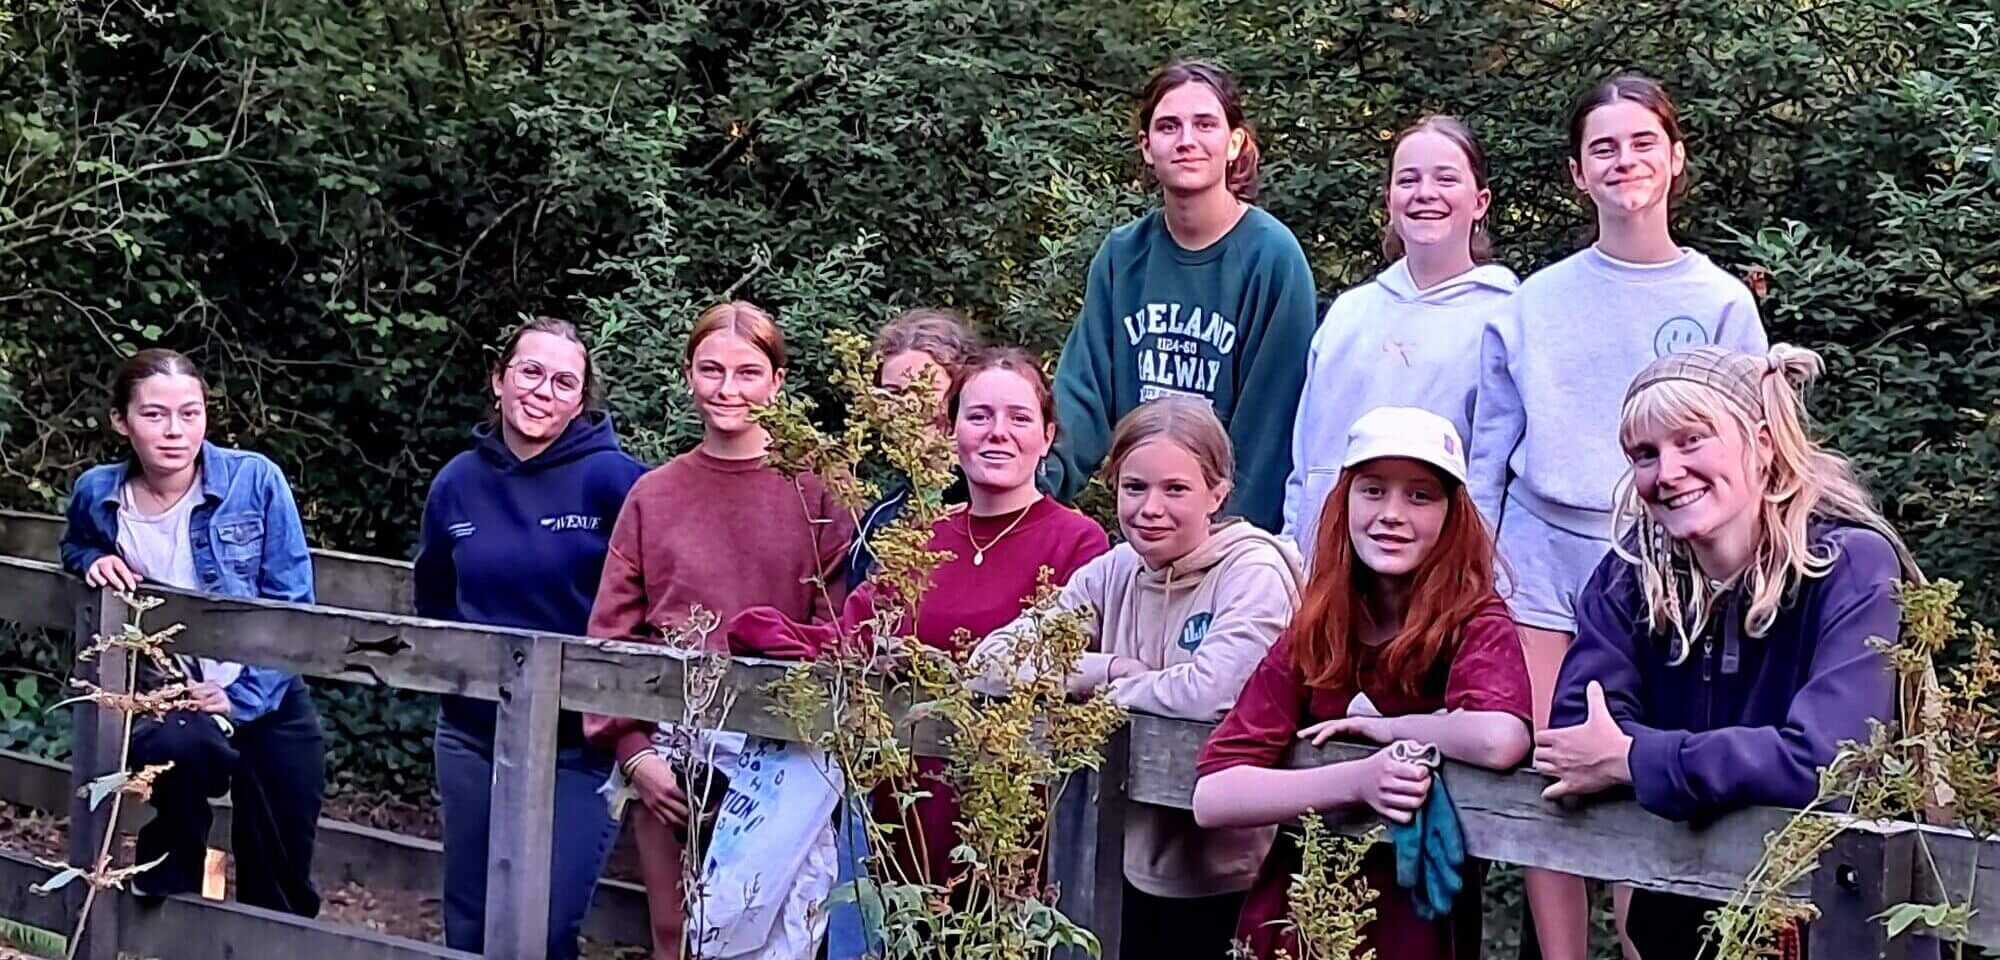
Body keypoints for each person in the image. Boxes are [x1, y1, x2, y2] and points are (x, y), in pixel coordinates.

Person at [1464, 73, 1768, 960]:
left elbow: (1755, 452)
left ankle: (1643, 946)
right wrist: (1481, 559)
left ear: (1674, 158)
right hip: (1542, 553)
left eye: (1642, 142)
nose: (1624, 160)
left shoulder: (1719, 302)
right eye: (1604, 147)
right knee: (1547, 752)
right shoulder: (1533, 301)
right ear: (1577, 173)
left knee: (1641, 750)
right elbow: (1491, 447)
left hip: (1668, 557)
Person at [1535, 345, 1920, 960]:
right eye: (1645, 454)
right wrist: (1652, 761)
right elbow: (1579, 740)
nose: (1668, 471)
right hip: (1683, 934)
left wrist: (1640, 760)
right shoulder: (1629, 578)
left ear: (1763, 444)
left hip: (1838, 930)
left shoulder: (1849, 567)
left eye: (1692, 440)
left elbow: (1829, 764)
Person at [730, 347, 1110, 890]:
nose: (997, 432)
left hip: (1009, 831)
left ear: (1047, 437)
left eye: (1019, 418)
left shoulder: (1077, 543)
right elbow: (847, 641)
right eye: (978, 416)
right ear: (952, 429)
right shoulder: (922, 538)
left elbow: (1066, 669)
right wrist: (761, 631)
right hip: (903, 820)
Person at [1193, 406, 1533, 960]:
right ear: (1345, 501)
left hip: (1415, 928)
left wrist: (1389, 728)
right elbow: (1215, 793)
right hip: (1295, 921)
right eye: (1373, 491)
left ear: (1453, 515)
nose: (1392, 514)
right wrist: (1357, 780)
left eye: (1420, 496)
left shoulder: (1475, 621)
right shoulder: (1318, 630)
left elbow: (1501, 737)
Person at [970, 396, 1302, 960]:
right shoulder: (1116, 569)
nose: (1151, 508)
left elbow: (1214, 691)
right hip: (1115, 859)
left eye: (1175, 489)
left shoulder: (1254, 572)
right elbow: (991, 661)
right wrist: (1109, 669)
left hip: (1230, 877)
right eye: (1134, 488)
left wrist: (1092, 694)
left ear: (1217, 493)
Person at [583, 301, 854, 959]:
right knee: (677, 934)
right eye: (711, 370)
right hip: (673, 747)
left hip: (783, 748)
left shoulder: (817, 493)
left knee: (780, 934)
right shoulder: (655, 494)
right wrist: (633, 753)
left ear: (776, 382)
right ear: (688, 376)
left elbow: (839, 627)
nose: (727, 390)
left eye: (747, 372)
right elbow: (611, 637)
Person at [59, 348, 323, 916]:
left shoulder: (255, 481)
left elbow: (293, 602)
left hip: (267, 692)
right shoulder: (98, 493)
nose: (176, 431)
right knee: (176, 785)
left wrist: (242, 696)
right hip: (171, 697)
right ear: (120, 421)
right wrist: (90, 560)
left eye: (191, 413)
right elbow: (76, 543)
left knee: (280, 874)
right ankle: (170, 892)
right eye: (154, 415)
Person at [414, 318, 646, 960]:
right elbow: (433, 598)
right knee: (470, 922)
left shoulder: (617, 483)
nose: (544, 391)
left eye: (564, 381)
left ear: (581, 399)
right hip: (472, 735)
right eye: (530, 372)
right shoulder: (457, 482)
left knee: (541, 931)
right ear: (499, 379)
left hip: (579, 744)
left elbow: (652, 605)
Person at [1044, 58, 1317, 533]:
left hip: (1230, 538)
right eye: (1168, 126)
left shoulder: (1272, 258)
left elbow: (1271, 427)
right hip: (1144, 521)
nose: (1186, 139)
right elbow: (1082, 394)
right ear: (1147, 147)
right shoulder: (1123, 256)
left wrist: (1224, 542)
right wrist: (1035, 486)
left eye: (1205, 124)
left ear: (1235, 143)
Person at [1286, 116, 1518, 562]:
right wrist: (1294, 552)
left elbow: (1492, 478)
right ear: (1390, 200)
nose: (1425, 193)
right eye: (1408, 179)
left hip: (1436, 582)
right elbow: (1306, 459)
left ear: (1480, 201)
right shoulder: (1348, 314)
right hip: (1325, 573)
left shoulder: (1505, 318)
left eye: (1446, 179)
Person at [847, 307, 980, 589]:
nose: (907, 407)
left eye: (922, 390)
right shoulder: (880, 518)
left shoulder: (992, 505)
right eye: (893, 393)